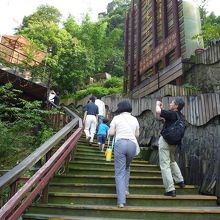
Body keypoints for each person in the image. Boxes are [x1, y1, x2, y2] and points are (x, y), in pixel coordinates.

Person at [109, 100, 140, 208]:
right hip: (132, 144)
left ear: (120, 108)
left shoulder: (116, 118)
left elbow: (111, 133)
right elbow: (137, 134)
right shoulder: (135, 119)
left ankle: (121, 200)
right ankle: (126, 189)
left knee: (119, 172)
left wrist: (112, 130)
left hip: (120, 144)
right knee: (127, 167)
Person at [156, 97, 186, 197]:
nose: (170, 104)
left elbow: (158, 111)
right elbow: (163, 117)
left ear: (176, 106)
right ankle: (180, 180)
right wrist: (162, 109)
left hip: (165, 141)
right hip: (174, 143)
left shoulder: (172, 114)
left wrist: (157, 104)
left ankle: (170, 189)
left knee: (165, 164)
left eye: (172, 103)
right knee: (172, 161)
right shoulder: (181, 116)